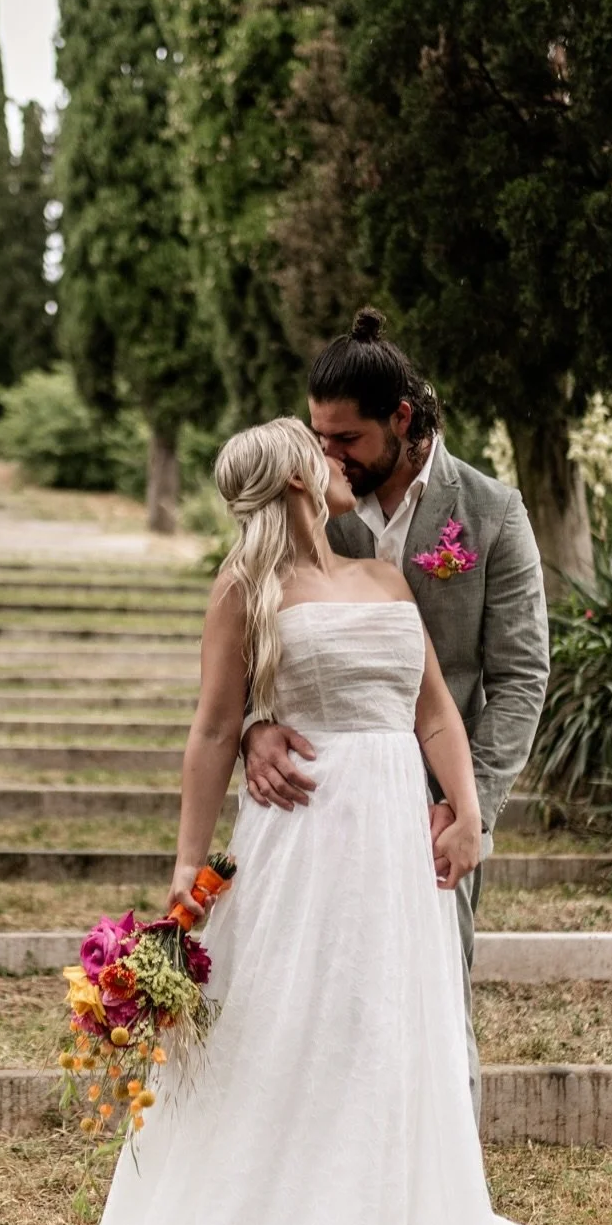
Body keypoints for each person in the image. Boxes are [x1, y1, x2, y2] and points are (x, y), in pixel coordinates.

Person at [8, 417, 611, 1225]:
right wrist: (186, 871)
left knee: (388, 1047)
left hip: (395, 852)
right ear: (293, 477)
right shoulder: (245, 592)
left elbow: (432, 712)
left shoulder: (382, 579)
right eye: (321, 453)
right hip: (300, 847)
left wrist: (467, 812)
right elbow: (210, 726)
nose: (341, 463)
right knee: (287, 1045)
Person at [243, 309, 549, 1108]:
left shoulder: (489, 513)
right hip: (324, 797)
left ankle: (441, 1192)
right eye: (317, 435)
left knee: (434, 995)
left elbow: (519, 678)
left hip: (435, 803)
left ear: (401, 419)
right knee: (315, 994)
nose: (325, 454)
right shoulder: (306, 499)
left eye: (344, 439)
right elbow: (247, 629)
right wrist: (252, 729)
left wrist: (465, 806)